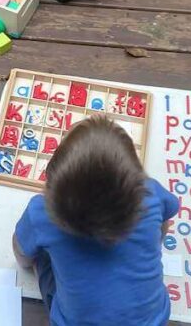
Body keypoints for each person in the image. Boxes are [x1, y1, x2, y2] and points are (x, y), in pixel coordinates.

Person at [13, 115, 179, 325]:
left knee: (42, 255)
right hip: (153, 321)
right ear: (137, 181)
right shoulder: (151, 195)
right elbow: (163, 227)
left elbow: (22, 256)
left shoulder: (42, 213)